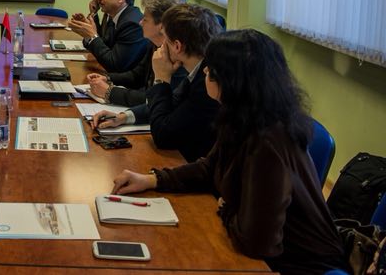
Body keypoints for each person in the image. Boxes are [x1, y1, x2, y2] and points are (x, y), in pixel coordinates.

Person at [109, 30, 347, 274]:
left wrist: (226, 208)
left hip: (298, 265)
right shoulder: (244, 116)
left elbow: (257, 242)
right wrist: (151, 179)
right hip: (269, 253)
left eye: (212, 68)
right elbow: (210, 167)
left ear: (233, 80)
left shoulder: (268, 141)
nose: (205, 71)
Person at [95, 3, 221, 162]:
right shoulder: (198, 68)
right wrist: (124, 116)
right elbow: (171, 103)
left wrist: (161, 79)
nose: (161, 45)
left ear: (177, 46)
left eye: (164, 38)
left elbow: (163, 136)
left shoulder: (208, 82)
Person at [86, 0, 185, 127]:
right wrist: (108, 78)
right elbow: (137, 75)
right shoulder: (154, 44)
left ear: (161, 26)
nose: (140, 23)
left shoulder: (179, 57)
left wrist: (110, 92)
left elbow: (158, 100)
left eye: (145, 19)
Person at [69, 0, 147, 73]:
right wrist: (89, 34)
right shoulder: (116, 16)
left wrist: (92, 36)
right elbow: (104, 46)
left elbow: (114, 65)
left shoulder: (131, 24)